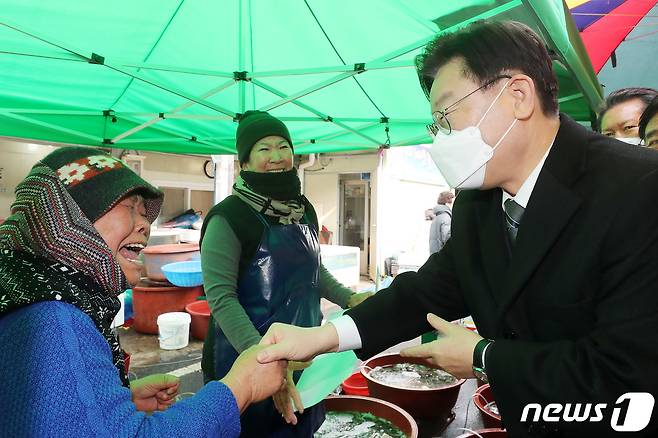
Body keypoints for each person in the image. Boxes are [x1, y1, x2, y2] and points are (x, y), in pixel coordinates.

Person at [256, 20, 658, 437]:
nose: (441, 139)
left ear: (518, 96)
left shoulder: (638, 188)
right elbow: (426, 292)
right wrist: (322, 337)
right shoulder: (477, 203)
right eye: (437, 125)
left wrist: (486, 357)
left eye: (447, 115)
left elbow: (631, 371)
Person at [0, 147, 287, 437]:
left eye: (144, 213)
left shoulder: (24, 291)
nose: (145, 225)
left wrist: (109, 401)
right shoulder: (54, 319)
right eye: (131, 208)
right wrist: (241, 387)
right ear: (68, 216)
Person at [199, 110, 371, 437]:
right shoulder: (229, 217)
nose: (277, 156)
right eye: (264, 149)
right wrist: (264, 360)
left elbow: (312, 269)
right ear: (245, 163)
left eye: (283, 146)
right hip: (244, 360)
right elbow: (221, 299)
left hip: (304, 354)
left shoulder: (302, 207)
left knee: (299, 428)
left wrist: (350, 297)